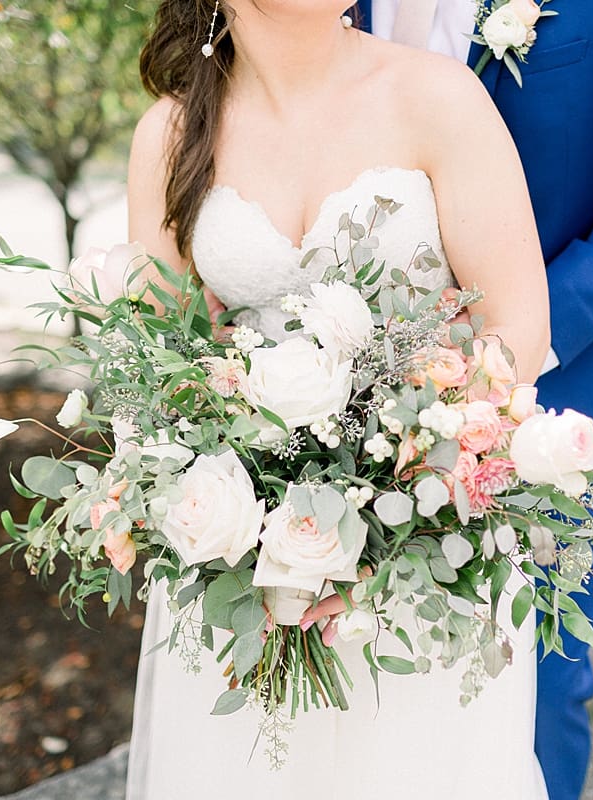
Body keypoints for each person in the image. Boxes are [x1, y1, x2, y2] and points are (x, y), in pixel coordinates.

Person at [124, 1, 555, 798]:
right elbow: (157, 364)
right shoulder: (171, 134)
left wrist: (415, 476)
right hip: (241, 566)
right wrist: (246, 520)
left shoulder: (440, 97)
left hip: (425, 548)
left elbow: (518, 321)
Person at [353, 1, 593, 798]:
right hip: (350, 414)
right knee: (366, 694)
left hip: (549, 412)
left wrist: (518, 345)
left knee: (535, 692)